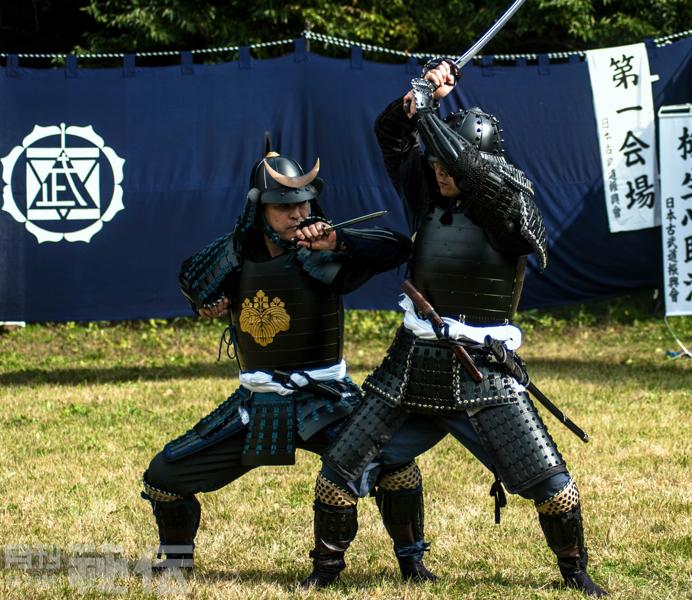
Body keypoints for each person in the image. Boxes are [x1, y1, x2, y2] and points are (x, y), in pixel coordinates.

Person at [303, 62, 607, 596]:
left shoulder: (514, 202)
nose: (439, 172)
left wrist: (430, 114)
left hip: (483, 369)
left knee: (553, 487)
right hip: (410, 362)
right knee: (338, 473)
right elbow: (391, 135)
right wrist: (418, 97)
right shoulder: (429, 193)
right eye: (437, 165)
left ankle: (575, 572)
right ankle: (326, 573)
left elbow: (474, 170)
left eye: (449, 165)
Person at [140, 145, 421, 588]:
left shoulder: (324, 252)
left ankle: (411, 565)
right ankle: (176, 563)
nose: (296, 214)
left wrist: (339, 241)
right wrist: (207, 301)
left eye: (303, 204)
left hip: (324, 397)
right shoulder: (238, 252)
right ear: (259, 209)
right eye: (284, 206)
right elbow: (191, 278)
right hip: (258, 400)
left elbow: (397, 246)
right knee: (164, 476)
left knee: (395, 465)